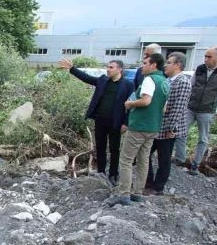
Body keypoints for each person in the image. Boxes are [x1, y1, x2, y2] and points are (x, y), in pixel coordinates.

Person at [58, 58, 134, 185]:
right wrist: (72, 69)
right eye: (107, 67)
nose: (108, 69)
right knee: (100, 147)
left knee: (114, 149)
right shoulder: (103, 80)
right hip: (100, 119)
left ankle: (113, 174)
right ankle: (101, 172)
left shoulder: (128, 85)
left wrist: (126, 123)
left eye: (111, 67)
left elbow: (130, 106)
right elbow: (87, 78)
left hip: (116, 121)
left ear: (119, 69)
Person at [108, 53, 168, 206]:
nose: (143, 66)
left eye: (145, 63)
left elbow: (146, 101)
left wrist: (130, 104)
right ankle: (138, 193)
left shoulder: (149, 79)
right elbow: (164, 108)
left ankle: (124, 194)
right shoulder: (164, 81)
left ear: (154, 65)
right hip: (153, 127)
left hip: (139, 126)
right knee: (143, 160)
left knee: (126, 159)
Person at [174, 46, 217, 174]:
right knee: (180, 132)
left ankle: (196, 165)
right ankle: (180, 159)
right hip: (191, 107)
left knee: (203, 138)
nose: (206, 59)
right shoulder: (200, 68)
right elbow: (191, 85)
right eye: (205, 56)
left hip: (207, 110)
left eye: (209, 57)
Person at [145, 52, 192, 195]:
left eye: (169, 62)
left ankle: (158, 187)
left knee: (163, 159)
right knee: (144, 154)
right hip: (159, 126)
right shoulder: (169, 80)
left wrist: (172, 128)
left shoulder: (182, 82)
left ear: (177, 65)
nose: (165, 65)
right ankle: (149, 182)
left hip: (168, 129)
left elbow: (178, 107)